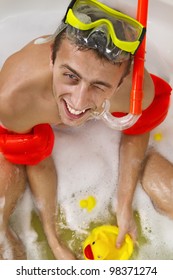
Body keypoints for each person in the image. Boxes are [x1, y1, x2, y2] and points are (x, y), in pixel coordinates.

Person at [0, 0, 172, 259]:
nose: (78, 103)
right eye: (70, 76)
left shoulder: (135, 93)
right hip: (27, 130)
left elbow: (135, 132)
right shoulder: (16, 98)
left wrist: (124, 207)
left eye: (99, 85)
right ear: (52, 57)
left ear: (122, 82)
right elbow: (38, 160)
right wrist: (53, 238)